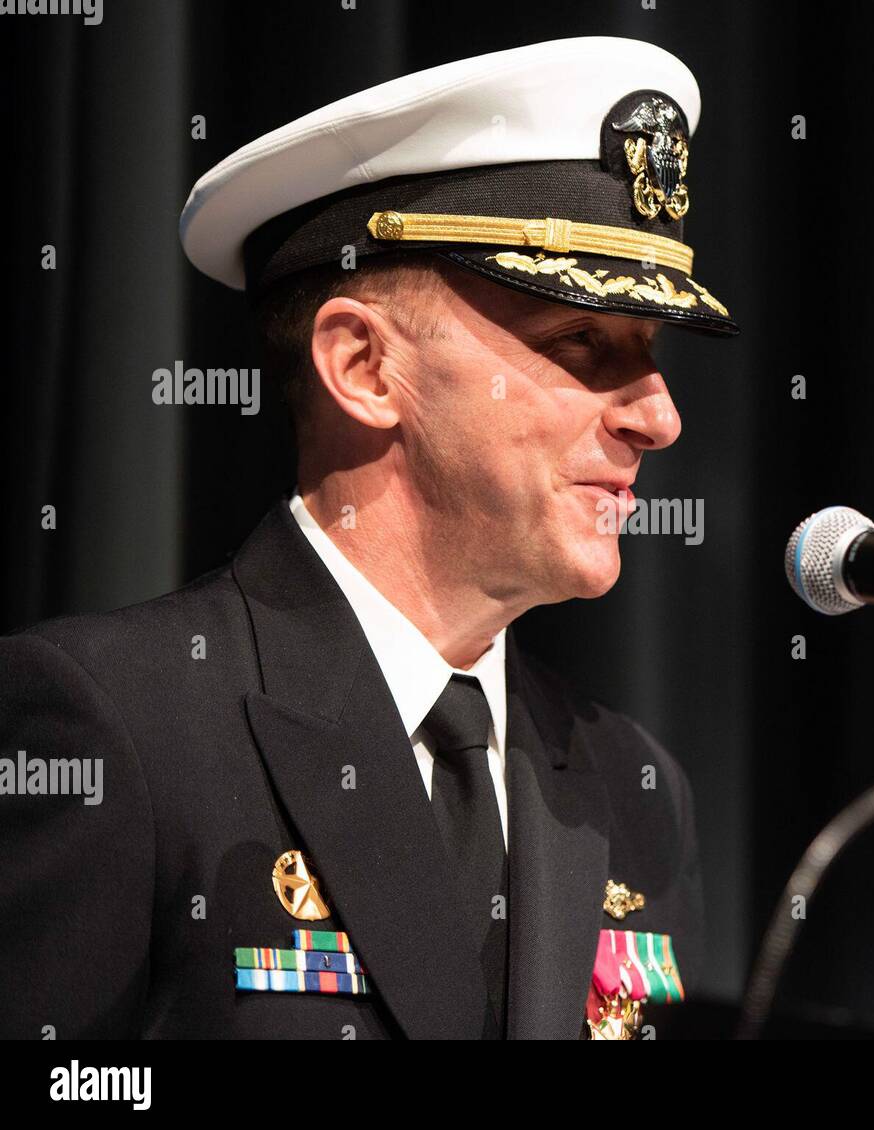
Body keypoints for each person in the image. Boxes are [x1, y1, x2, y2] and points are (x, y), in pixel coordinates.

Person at [0, 36, 736, 1040]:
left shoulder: (635, 785)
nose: (656, 417)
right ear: (363, 367)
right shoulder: (118, 728)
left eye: (647, 358)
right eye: (580, 343)